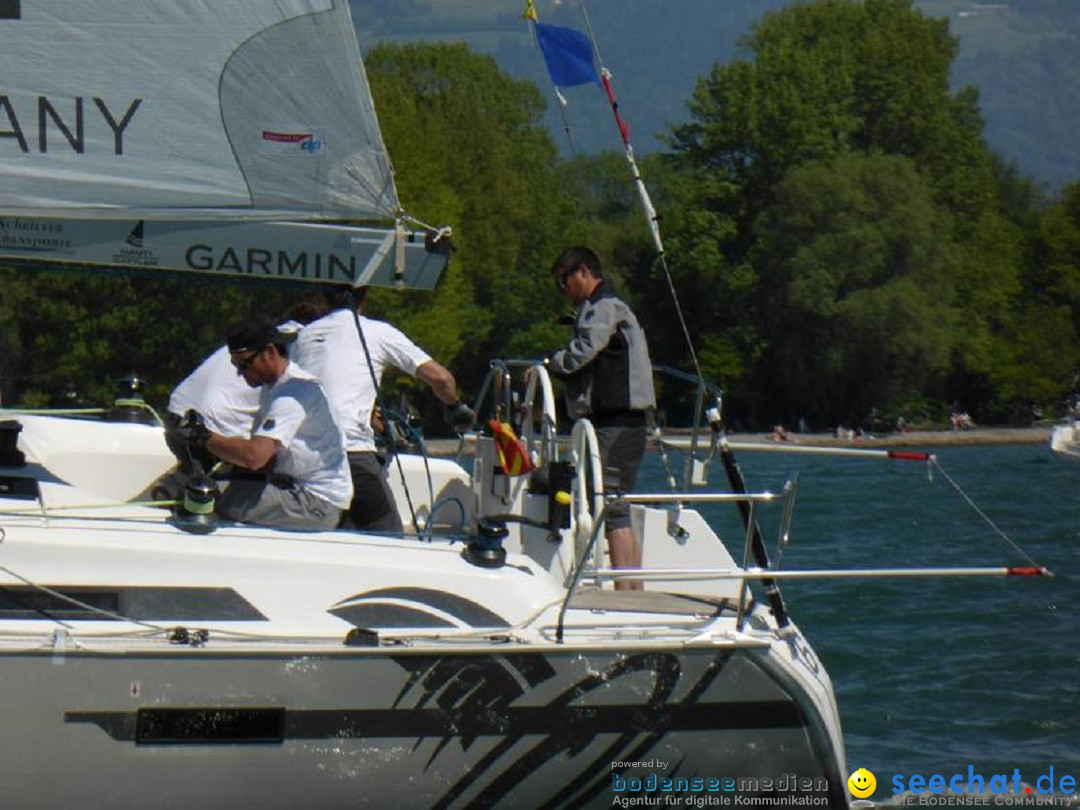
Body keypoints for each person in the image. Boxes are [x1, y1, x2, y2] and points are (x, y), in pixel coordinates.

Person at [291, 285, 474, 532]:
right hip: (350, 453)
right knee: (388, 537)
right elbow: (442, 380)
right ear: (364, 298)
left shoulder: (302, 337)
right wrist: (454, 407)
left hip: (300, 457)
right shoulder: (377, 332)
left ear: (322, 300)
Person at [543, 246, 656, 591]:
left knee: (610, 505)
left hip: (618, 422)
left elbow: (584, 351)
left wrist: (550, 364)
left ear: (583, 272)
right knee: (614, 503)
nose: (563, 290)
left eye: (564, 280)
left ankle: (627, 593)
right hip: (619, 423)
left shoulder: (604, 307)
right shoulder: (601, 308)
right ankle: (632, 588)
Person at [154, 292, 330, 498]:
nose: (240, 371)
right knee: (256, 465)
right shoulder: (302, 346)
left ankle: (177, 485)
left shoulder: (257, 337)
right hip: (210, 428)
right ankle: (184, 490)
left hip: (177, 417)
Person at [181, 321, 352, 530]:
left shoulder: (293, 394)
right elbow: (265, 461)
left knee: (206, 497)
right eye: (236, 366)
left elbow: (255, 457)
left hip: (315, 503)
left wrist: (204, 438)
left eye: (244, 364)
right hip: (293, 489)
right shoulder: (275, 387)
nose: (240, 373)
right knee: (213, 487)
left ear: (270, 351)